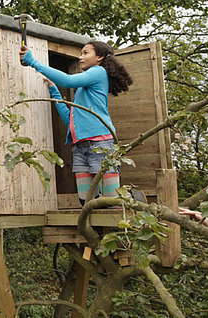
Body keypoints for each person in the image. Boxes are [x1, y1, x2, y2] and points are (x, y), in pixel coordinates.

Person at [20, 40, 133, 206]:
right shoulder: (83, 91)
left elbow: (68, 80)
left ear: (100, 57)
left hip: (100, 143)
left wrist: (34, 62)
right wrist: (54, 91)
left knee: (113, 200)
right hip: (80, 146)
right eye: (81, 53)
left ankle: (133, 200)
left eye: (86, 53)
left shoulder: (98, 72)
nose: (80, 57)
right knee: (85, 201)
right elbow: (69, 119)